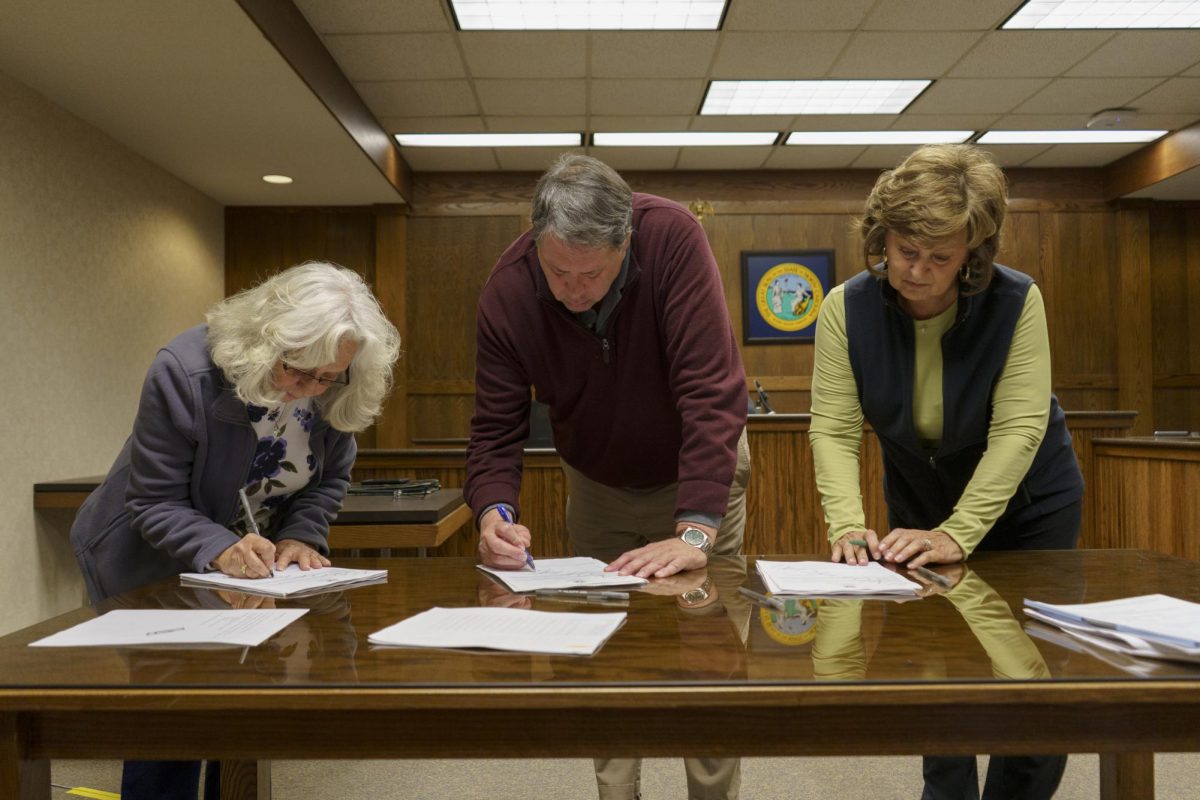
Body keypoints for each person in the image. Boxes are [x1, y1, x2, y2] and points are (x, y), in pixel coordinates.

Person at [466, 154, 750, 800]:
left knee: (705, 648)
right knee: (601, 646)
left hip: (698, 466)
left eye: (590, 274)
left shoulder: (674, 238)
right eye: (557, 270)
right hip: (596, 479)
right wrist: (494, 515)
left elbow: (712, 393)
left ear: (626, 243)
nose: (571, 289)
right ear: (536, 243)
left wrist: (697, 531)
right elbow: (494, 430)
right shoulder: (508, 291)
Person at [809, 144, 1083, 800]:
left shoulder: (1018, 303)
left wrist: (959, 534)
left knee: (1028, 675)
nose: (919, 272)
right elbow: (835, 428)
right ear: (882, 238)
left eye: (941, 257)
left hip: (1028, 503)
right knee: (933, 665)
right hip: (920, 500)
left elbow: (1019, 430)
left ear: (972, 253)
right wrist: (847, 527)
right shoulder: (846, 310)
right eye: (906, 251)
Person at [71, 261, 400, 800]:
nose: (308, 390)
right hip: (151, 551)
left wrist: (301, 534)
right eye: (297, 371)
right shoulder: (184, 371)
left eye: (327, 377)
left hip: (259, 568)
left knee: (249, 701)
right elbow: (153, 501)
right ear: (265, 342)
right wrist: (221, 546)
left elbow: (329, 478)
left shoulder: (333, 388)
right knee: (171, 712)